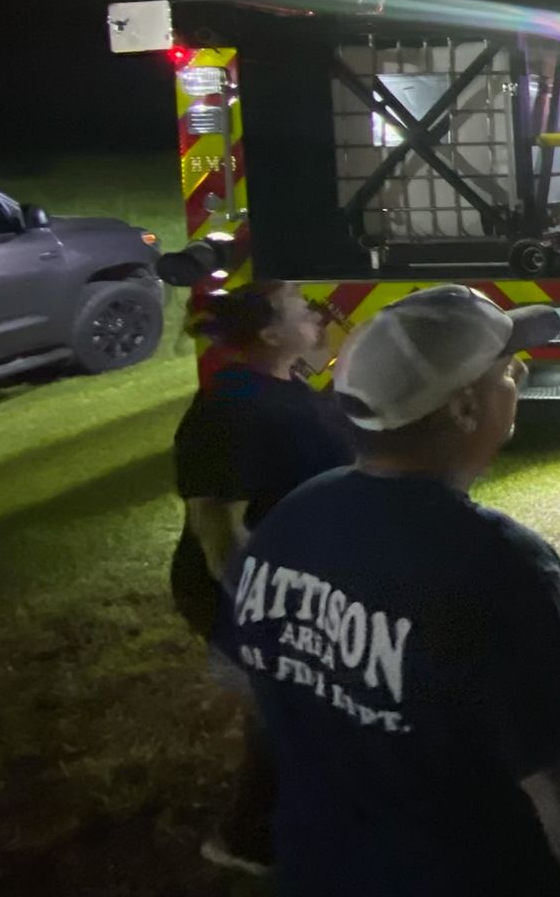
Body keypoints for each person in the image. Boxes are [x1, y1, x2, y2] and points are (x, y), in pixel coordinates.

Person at [229, 286, 560, 896]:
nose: (520, 376)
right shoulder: (498, 563)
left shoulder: (289, 522)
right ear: (462, 410)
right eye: (507, 369)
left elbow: (262, 706)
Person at [170, 282, 347, 877]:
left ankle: (313, 807)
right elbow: (216, 525)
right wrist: (259, 612)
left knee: (306, 703)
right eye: (303, 309)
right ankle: (244, 836)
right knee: (285, 706)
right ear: (270, 333)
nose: (317, 314)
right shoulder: (230, 406)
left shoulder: (282, 381)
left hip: (296, 582)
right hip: (245, 591)